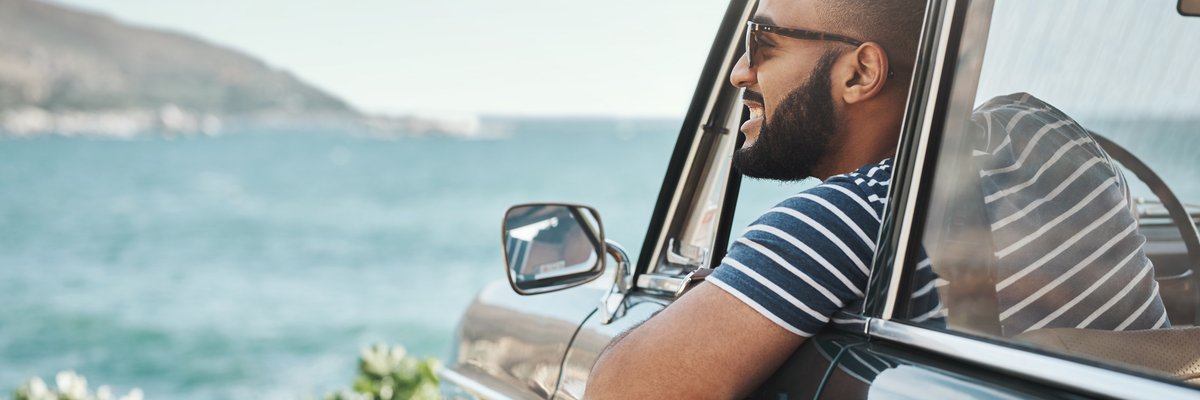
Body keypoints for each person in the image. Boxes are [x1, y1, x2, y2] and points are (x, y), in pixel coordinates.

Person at [585, 1, 930, 398]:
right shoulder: (1002, 145)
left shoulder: (853, 214)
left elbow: (623, 390)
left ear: (860, 73)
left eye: (763, 42)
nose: (739, 73)